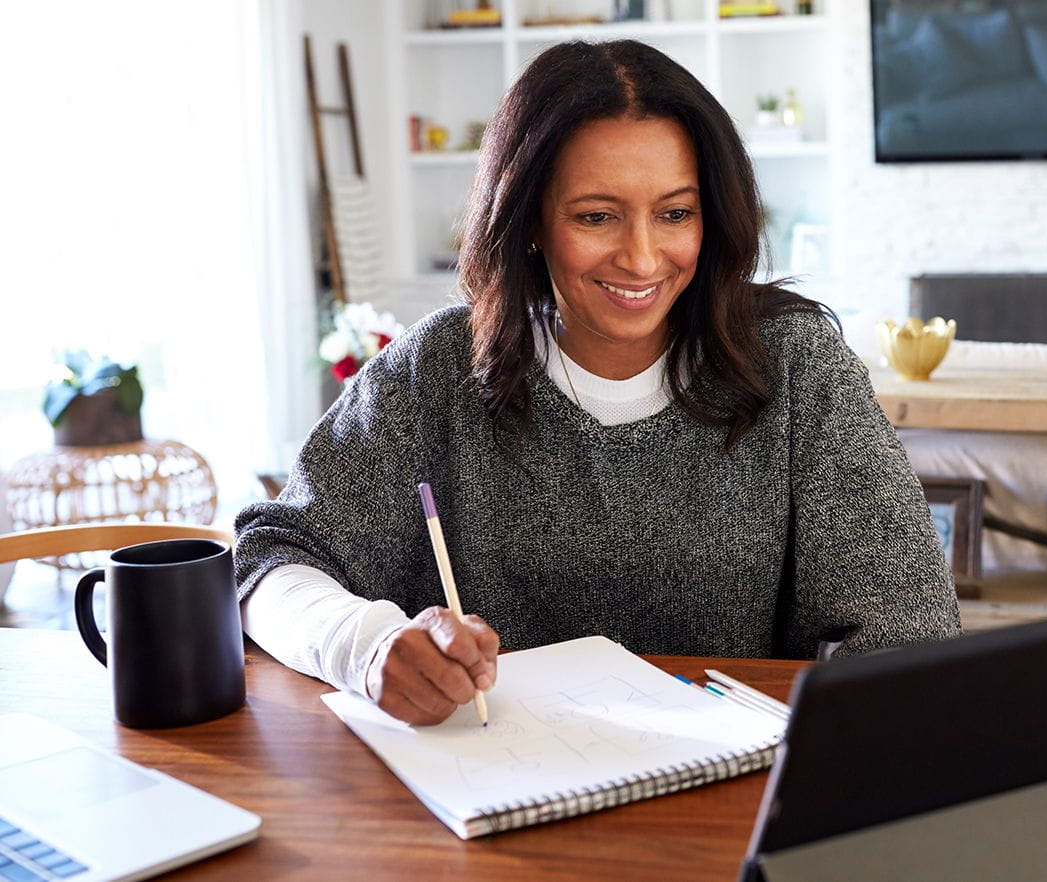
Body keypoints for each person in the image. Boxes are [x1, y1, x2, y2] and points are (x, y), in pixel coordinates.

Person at [234, 39, 960, 726]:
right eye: (596, 217)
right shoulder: (436, 371)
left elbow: (910, 630)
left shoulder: (797, 366)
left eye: (675, 213)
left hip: (729, 801)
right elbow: (270, 557)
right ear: (529, 222)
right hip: (489, 794)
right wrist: (365, 646)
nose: (643, 259)